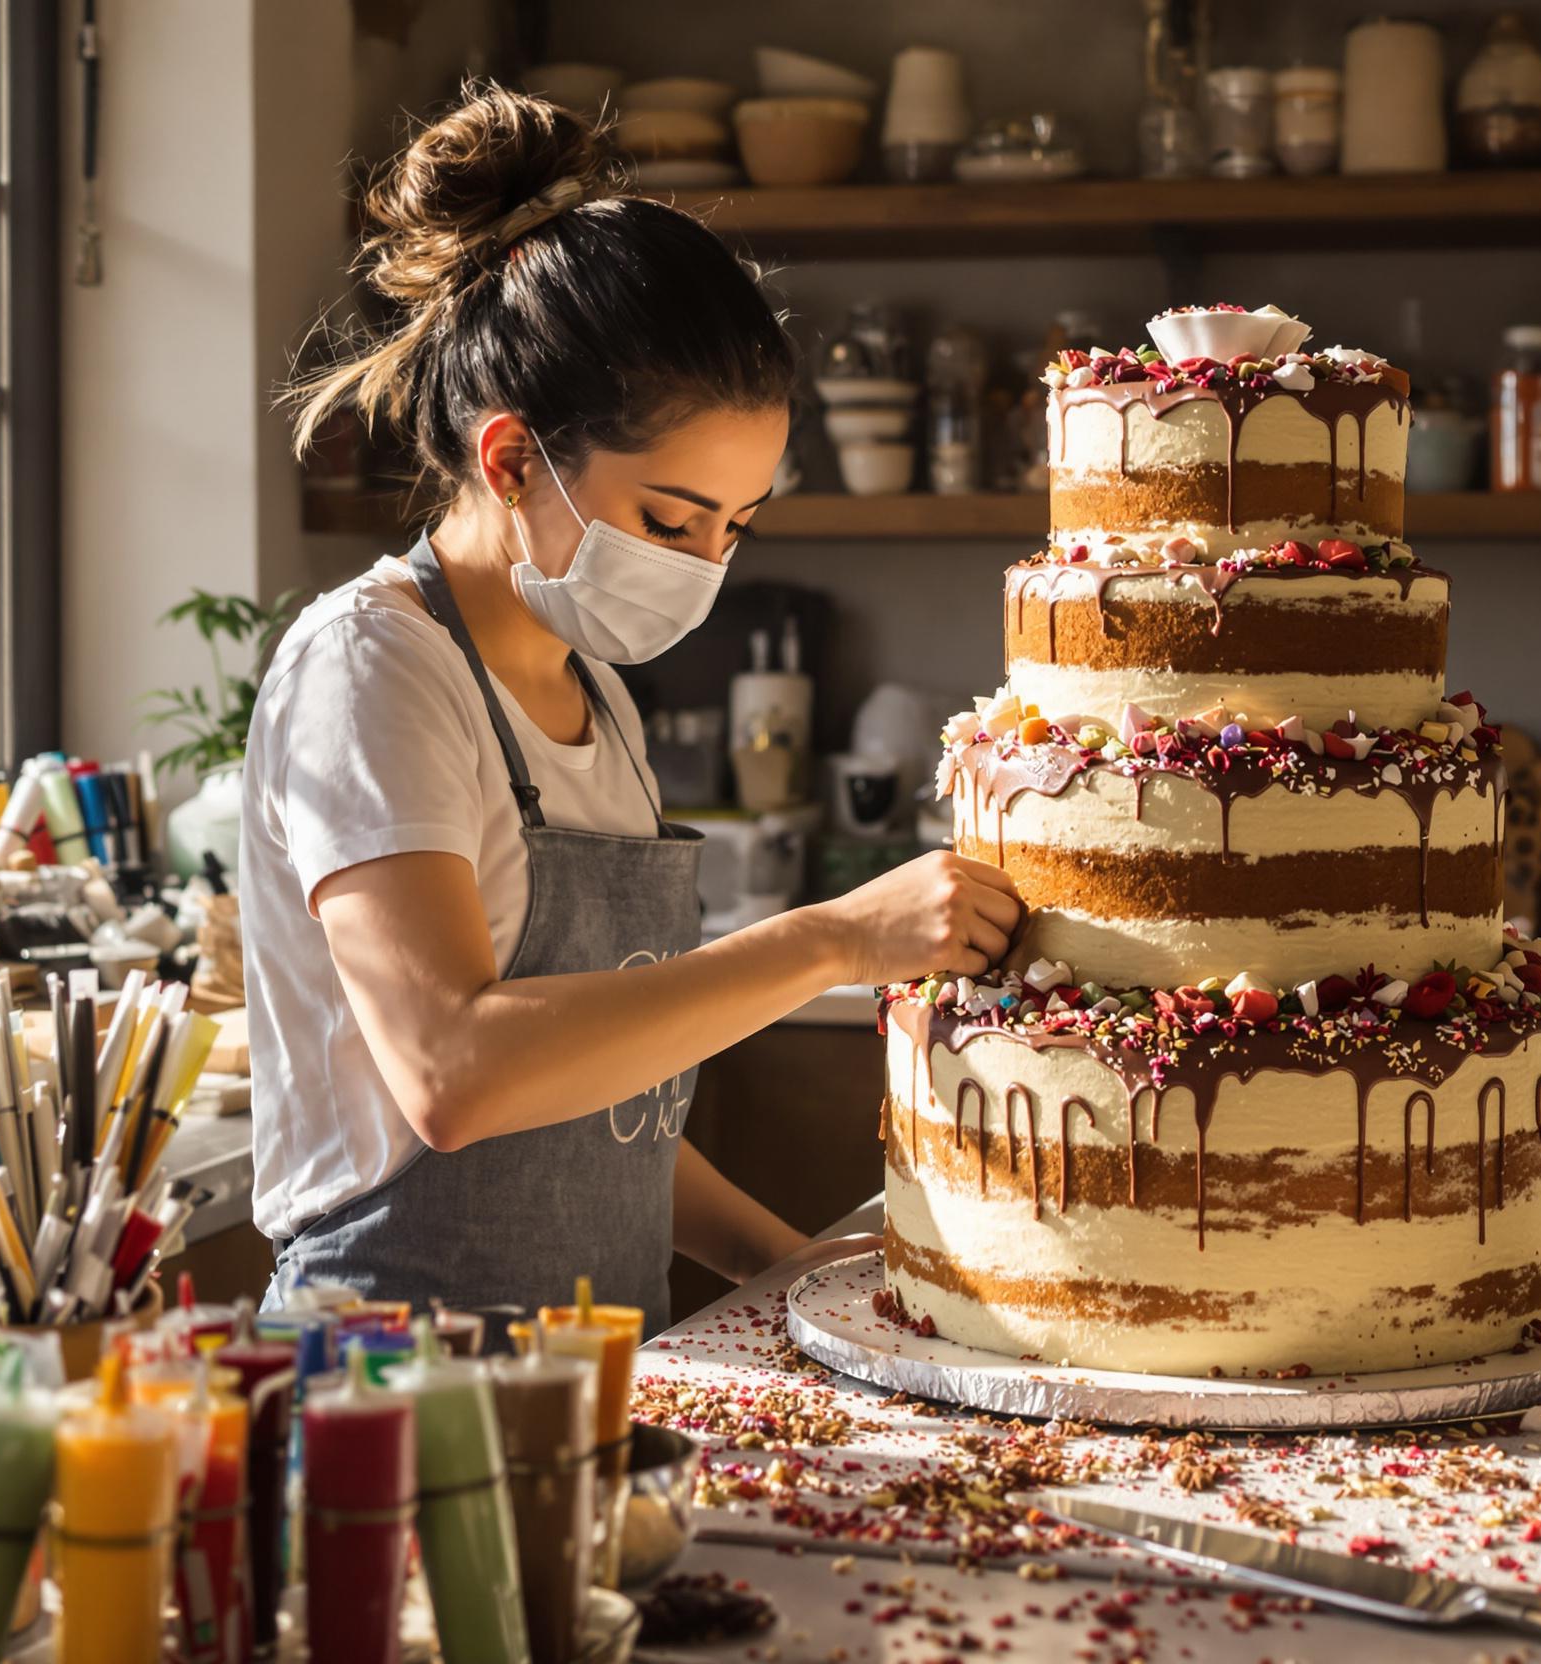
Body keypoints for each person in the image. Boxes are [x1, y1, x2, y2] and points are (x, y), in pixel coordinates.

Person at [241, 86, 1022, 1333]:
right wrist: (834, 939)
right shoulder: (372, 669)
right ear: (509, 460)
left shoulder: (595, 693)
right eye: (670, 518)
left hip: (600, 1368)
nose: (706, 564)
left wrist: (795, 1275)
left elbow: (608, 1117)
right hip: (389, 1376)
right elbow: (459, 1067)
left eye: (734, 524)